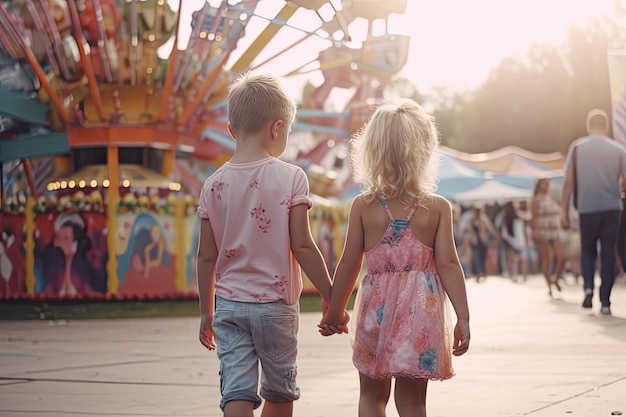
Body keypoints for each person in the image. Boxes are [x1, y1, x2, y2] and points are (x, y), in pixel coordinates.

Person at [195, 73, 346, 417]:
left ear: (232, 130)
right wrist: (330, 294)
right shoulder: (292, 177)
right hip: (275, 307)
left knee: (236, 392)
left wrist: (207, 312)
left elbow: (206, 257)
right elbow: (303, 246)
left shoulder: (213, 185)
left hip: (230, 306)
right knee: (279, 393)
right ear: (277, 128)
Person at [319, 100, 470, 417]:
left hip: (376, 309)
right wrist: (463, 317)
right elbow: (448, 265)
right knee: (412, 401)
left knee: (372, 397)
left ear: (370, 151)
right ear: (425, 150)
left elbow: (349, 264)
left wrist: (334, 312)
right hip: (421, 316)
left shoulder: (364, 206)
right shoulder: (437, 208)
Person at [561, 109, 626, 315]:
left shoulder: (577, 148)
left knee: (587, 250)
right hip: (611, 208)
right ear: (606, 126)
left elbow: (568, 182)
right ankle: (605, 300)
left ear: (589, 126)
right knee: (608, 252)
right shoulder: (618, 150)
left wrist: (564, 210)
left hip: (587, 208)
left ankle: (588, 287)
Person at [531, 178, 566, 297]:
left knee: (562, 256)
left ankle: (555, 278)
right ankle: (549, 286)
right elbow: (534, 217)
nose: (546, 186)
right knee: (547, 260)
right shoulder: (536, 199)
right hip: (543, 231)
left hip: (554, 231)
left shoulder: (551, 197)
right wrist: (536, 231)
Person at [463, 203, 498, 282]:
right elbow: (468, 230)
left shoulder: (483, 219)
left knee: (483, 257)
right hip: (475, 242)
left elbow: (490, 229)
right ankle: (479, 273)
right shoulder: (471, 220)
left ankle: (483, 272)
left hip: (483, 241)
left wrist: (495, 237)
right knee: (476, 258)